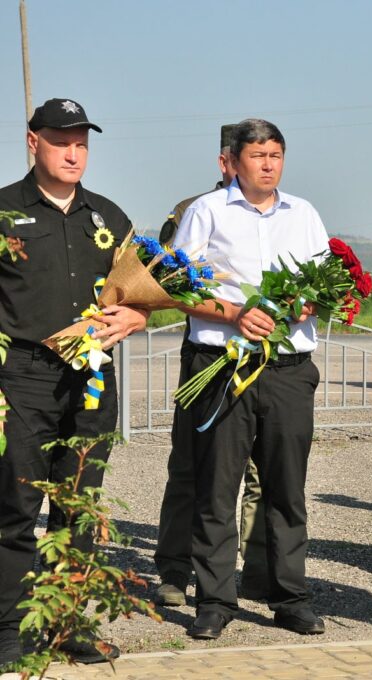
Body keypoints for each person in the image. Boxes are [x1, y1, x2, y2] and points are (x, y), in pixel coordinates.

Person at [0, 98, 150, 667]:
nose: (73, 152)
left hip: (89, 381)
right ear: (32, 141)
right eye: (62, 140)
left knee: (79, 506)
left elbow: (138, 295)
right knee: (14, 507)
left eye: (82, 141)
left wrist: (138, 316)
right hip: (21, 378)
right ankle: (10, 629)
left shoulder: (107, 216)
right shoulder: (3, 212)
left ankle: (65, 625)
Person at [170, 118, 328, 640]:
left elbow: (325, 283)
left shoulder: (303, 214)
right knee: (217, 487)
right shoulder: (206, 212)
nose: (267, 164)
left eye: (276, 155)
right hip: (224, 367)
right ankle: (215, 600)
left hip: (286, 370)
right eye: (257, 155)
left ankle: (289, 597)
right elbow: (179, 288)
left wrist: (309, 302)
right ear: (232, 162)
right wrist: (235, 313)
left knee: (286, 488)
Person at [153, 123, 270, 607]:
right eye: (245, 156)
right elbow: (167, 276)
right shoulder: (191, 212)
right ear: (226, 162)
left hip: (267, 358)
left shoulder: (282, 214)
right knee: (190, 469)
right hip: (208, 356)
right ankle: (175, 570)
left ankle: (261, 573)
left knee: (264, 477)